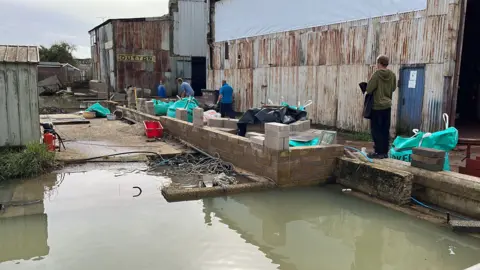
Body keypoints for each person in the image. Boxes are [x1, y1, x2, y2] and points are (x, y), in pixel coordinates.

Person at [366, 55, 397, 159]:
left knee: (376, 130)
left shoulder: (377, 74)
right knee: (385, 129)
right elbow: (393, 88)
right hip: (387, 105)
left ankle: (378, 152)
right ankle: (384, 152)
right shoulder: (392, 75)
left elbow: (369, 89)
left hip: (377, 106)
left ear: (379, 63)